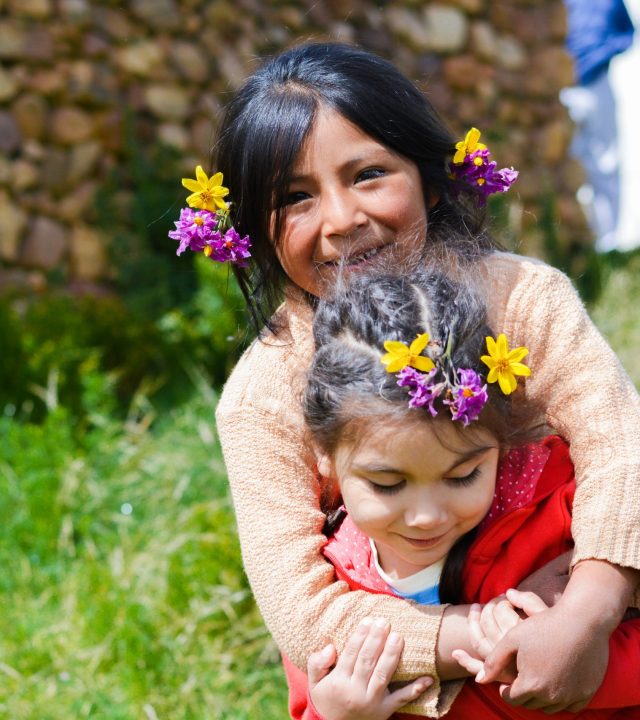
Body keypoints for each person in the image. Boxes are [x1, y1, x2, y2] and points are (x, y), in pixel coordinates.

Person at [210, 42, 640, 716]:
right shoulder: (263, 397)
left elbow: (621, 450)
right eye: (295, 197)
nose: (342, 218)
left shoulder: (524, 300)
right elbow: (302, 607)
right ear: (254, 233)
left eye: (369, 174)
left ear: (431, 180)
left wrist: (587, 611)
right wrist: (481, 630)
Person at [284, 268, 640, 719]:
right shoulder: (333, 588)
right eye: (387, 484)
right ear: (326, 459)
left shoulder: (562, 506)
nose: (427, 516)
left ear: (500, 442)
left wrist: (585, 648)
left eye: (463, 476)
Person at [561, 0, 635, 252]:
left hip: (596, 80)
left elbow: (626, 31)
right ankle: (581, 239)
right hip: (563, 85)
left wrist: (600, 53)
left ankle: (608, 244)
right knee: (570, 161)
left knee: (606, 161)